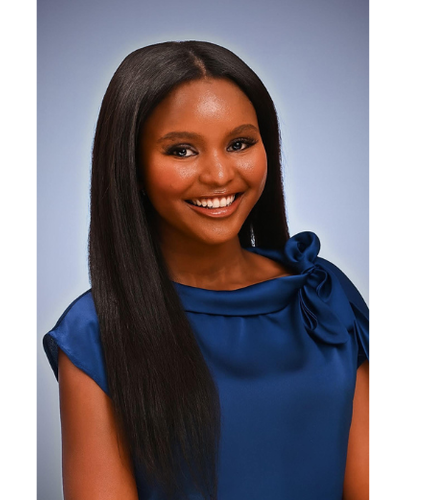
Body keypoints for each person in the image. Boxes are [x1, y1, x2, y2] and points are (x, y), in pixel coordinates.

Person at [42, 41, 368, 500]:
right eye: (181, 151)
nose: (219, 175)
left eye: (239, 143)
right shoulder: (95, 334)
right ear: (132, 167)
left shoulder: (324, 297)